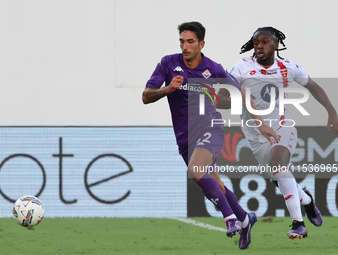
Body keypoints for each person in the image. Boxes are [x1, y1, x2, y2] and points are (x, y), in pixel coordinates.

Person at [142, 21, 257, 249]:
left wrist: (258, 122)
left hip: (209, 127)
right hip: (184, 137)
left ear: (201, 44)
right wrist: (167, 89)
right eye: (182, 41)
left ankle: (230, 219)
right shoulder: (168, 63)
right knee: (214, 184)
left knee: (195, 170)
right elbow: (146, 96)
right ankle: (245, 219)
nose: (185, 46)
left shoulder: (213, 68)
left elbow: (238, 94)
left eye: (190, 42)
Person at [230, 26, 338, 239]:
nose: (259, 46)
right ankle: (306, 199)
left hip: (282, 128)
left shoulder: (288, 67)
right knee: (279, 177)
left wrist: (332, 112)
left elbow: (314, 86)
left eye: (265, 42)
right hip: (255, 135)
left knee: (279, 166)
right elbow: (228, 93)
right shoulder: (242, 67)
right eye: (256, 42)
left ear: (276, 44)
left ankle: (298, 223)